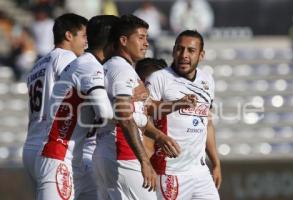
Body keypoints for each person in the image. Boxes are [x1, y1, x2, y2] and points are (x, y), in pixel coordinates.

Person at [93, 14, 182, 200]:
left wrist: (159, 135)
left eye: (147, 38)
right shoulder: (121, 70)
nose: (146, 43)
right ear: (123, 41)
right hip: (122, 154)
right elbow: (125, 117)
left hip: (106, 152)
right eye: (141, 37)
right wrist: (144, 161)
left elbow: (141, 113)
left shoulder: (114, 67)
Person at [146, 30, 221, 199]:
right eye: (180, 49)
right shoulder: (159, 78)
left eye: (191, 50)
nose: (184, 55)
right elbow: (146, 112)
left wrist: (216, 163)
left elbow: (207, 123)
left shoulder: (207, 80)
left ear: (201, 55)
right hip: (171, 171)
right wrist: (177, 104)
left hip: (200, 171)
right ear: (173, 51)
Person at [22, 13, 88, 194]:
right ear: (68, 35)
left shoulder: (38, 64)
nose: (86, 42)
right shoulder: (66, 57)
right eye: (83, 36)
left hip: (30, 144)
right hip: (49, 145)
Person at [77, 15, 120, 200]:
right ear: (113, 41)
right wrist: (137, 111)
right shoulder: (90, 66)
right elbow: (105, 113)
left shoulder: (90, 63)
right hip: (70, 155)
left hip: (80, 154)